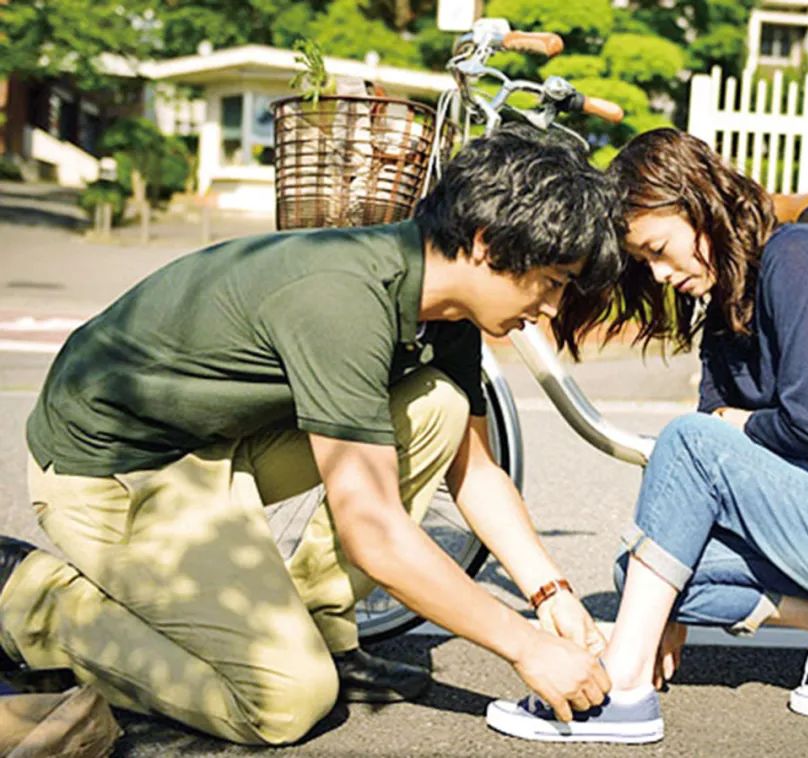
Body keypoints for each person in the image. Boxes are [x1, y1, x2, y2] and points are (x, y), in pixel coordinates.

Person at [0, 126, 618, 745]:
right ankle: (28, 598)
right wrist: (526, 648)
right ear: (486, 243)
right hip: (112, 471)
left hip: (214, 440)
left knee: (438, 406)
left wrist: (552, 594)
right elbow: (372, 531)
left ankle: (321, 632)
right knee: (284, 701)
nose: (552, 308)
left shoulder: (447, 314)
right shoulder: (342, 301)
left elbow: (476, 471)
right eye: (554, 281)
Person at [486, 128, 808, 743]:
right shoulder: (728, 312)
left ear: (695, 201)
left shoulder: (802, 257)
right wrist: (662, 605)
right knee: (641, 574)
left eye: (659, 249)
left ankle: (623, 690)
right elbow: (696, 492)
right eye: (644, 261)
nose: (659, 272)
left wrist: (732, 427)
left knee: (692, 441)